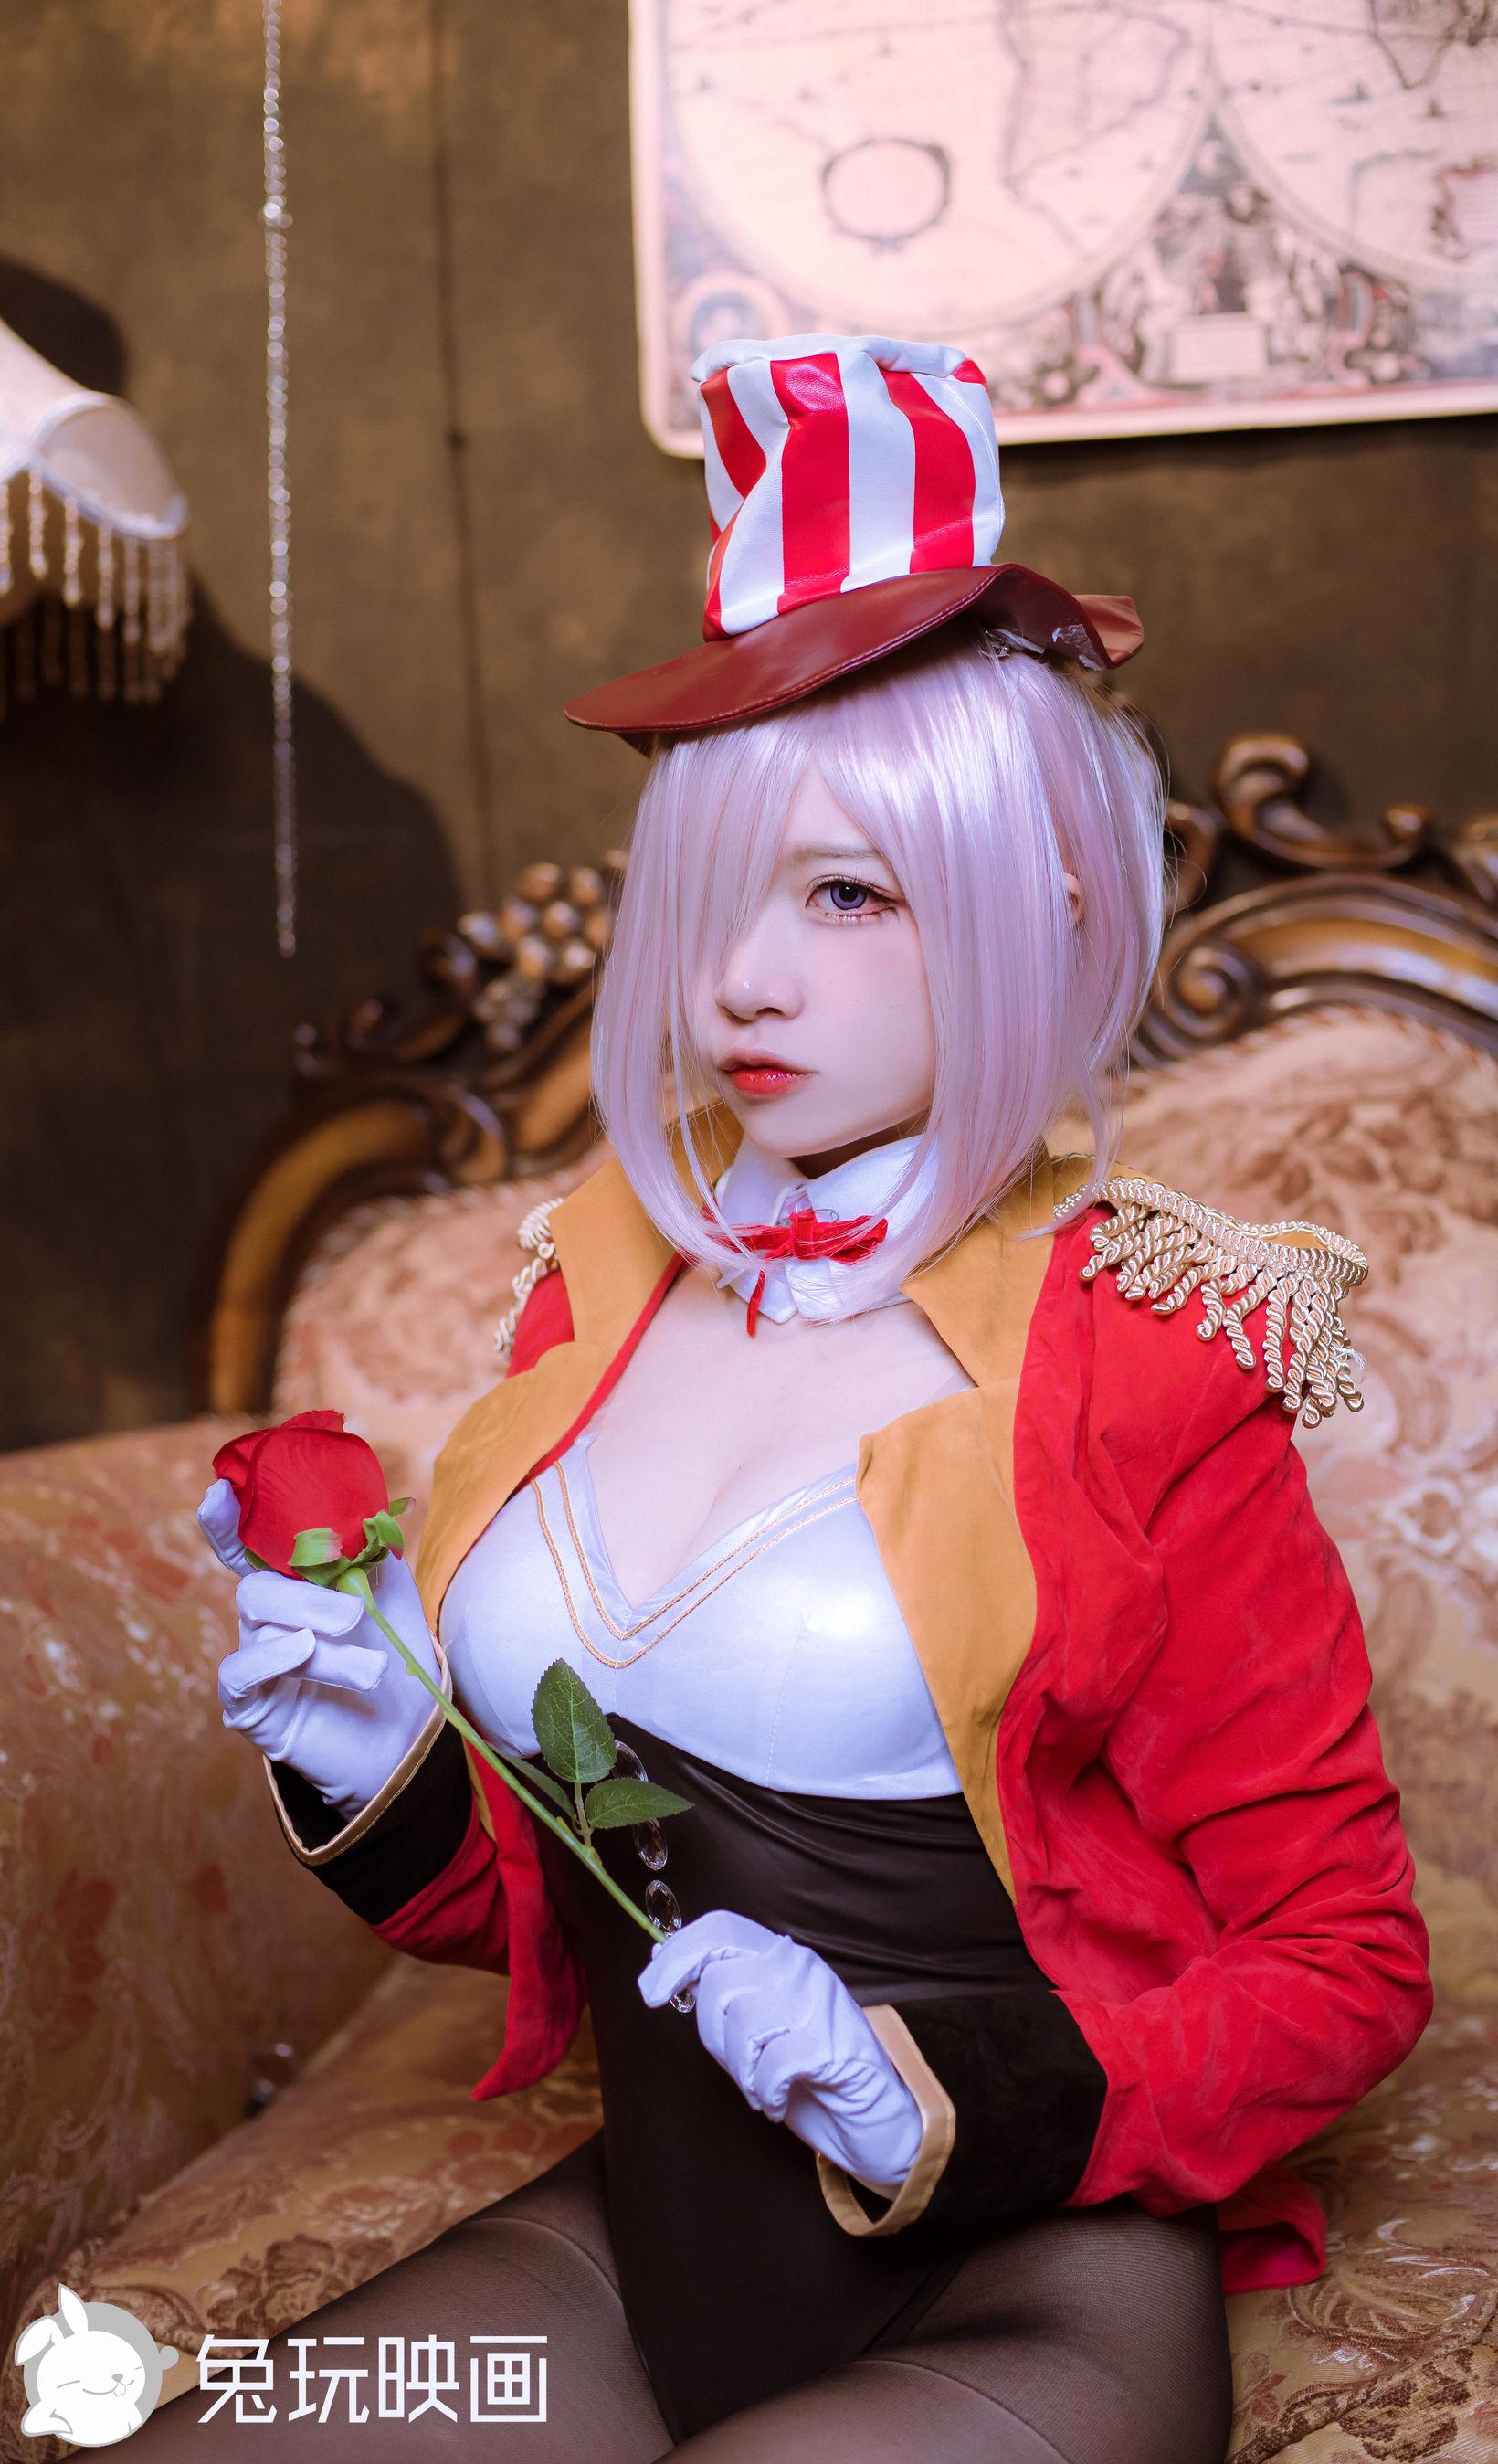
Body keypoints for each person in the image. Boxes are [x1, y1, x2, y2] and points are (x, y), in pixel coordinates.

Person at [141, 334, 1431, 2461]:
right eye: (715, 882)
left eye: (845, 889)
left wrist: (931, 2092)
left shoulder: (1156, 1352)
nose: (741, 973)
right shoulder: (596, 1286)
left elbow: (1350, 1957)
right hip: (642, 2239)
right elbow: (570, 1904)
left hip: (1028, 2267)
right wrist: (381, 1762)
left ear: (1042, 901)